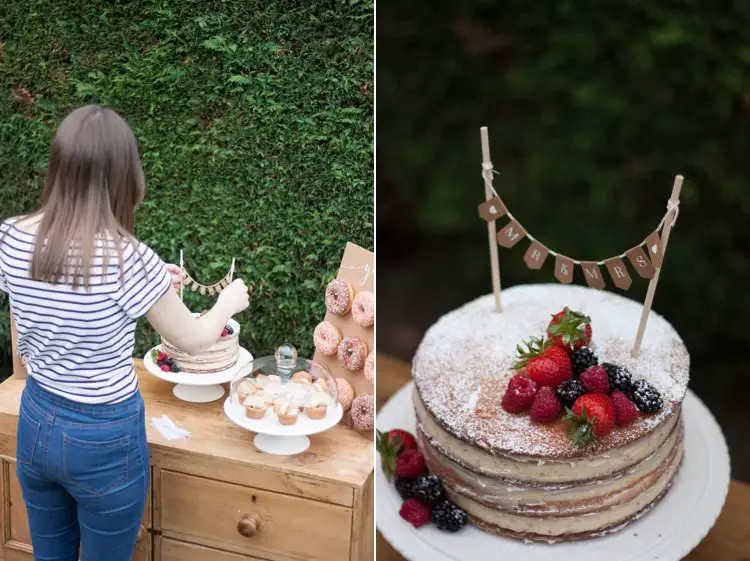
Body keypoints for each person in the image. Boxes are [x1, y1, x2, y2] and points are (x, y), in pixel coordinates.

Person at [0, 105, 250, 561]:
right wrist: (226, 302)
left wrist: (156, 286)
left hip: (35, 418)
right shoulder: (129, 259)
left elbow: (28, 316)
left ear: (59, 167)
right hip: (104, 437)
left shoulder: (11, 236)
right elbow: (193, 339)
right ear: (125, 176)